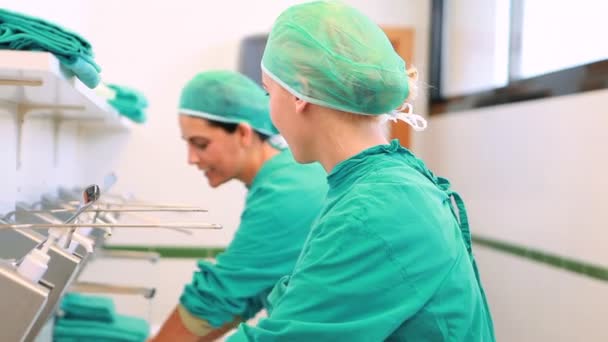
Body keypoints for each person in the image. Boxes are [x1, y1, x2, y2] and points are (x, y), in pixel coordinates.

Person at [227, 1, 495, 341]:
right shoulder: (380, 184)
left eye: (269, 91)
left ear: (300, 92)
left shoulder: (377, 208)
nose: (269, 110)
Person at [152, 70, 328, 341]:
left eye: (200, 144)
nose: (191, 158)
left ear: (243, 133)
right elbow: (248, 295)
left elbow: (219, 294)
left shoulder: (285, 191)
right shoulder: (287, 173)